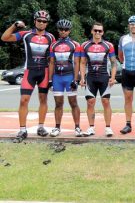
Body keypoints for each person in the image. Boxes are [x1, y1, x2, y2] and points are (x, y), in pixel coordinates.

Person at [1, 10, 55, 140]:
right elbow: (4, 37)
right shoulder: (26, 34)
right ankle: (22, 129)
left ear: (47, 24)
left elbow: (53, 59)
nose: (41, 23)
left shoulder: (51, 37)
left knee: (43, 99)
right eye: (39, 20)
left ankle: (41, 127)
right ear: (35, 21)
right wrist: (15, 25)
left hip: (44, 71)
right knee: (23, 100)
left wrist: (52, 78)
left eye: (44, 21)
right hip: (29, 71)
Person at [80, 22, 117, 137]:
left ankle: (108, 128)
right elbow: (82, 63)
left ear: (103, 32)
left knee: (106, 102)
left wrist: (113, 77)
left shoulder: (108, 45)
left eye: (100, 31)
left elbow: (114, 62)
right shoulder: (85, 45)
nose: (97, 32)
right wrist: (82, 78)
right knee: (90, 102)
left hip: (104, 77)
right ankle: (91, 127)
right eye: (95, 30)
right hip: (90, 77)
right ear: (91, 31)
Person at [48, 19, 82, 137]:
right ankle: (57, 127)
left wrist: (75, 80)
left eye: (66, 30)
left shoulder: (75, 44)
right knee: (58, 103)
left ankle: (77, 127)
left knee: (73, 103)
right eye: (61, 29)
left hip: (69, 77)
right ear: (58, 30)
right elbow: (51, 63)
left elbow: (77, 63)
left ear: (69, 31)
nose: (63, 31)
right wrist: (50, 80)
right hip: (57, 78)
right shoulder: (53, 45)